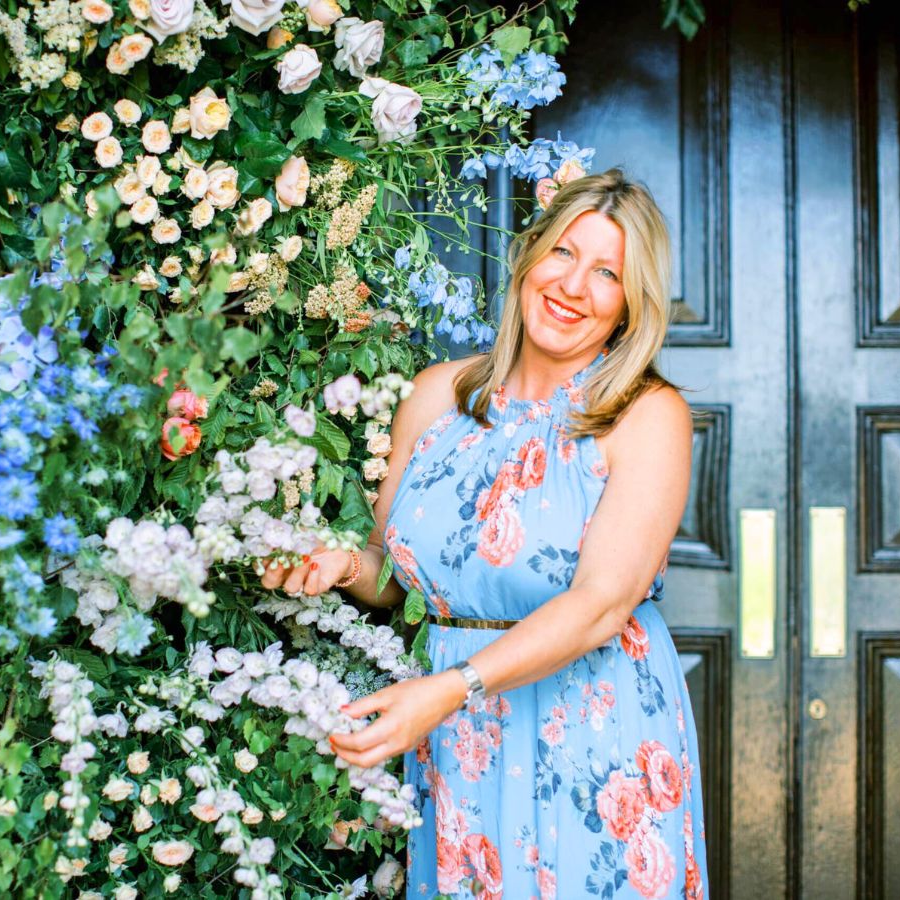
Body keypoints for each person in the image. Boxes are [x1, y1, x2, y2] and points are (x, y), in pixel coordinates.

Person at [262, 169, 708, 899]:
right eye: (564, 253)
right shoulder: (438, 395)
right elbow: (395, 580)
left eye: (607, 273)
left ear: (631, 305)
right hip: (452, 733)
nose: (573, 285)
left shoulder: (646, 414)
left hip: (588, 729)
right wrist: (342, 565)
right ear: (529, 255)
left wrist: (450, 689)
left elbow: (602, 603)